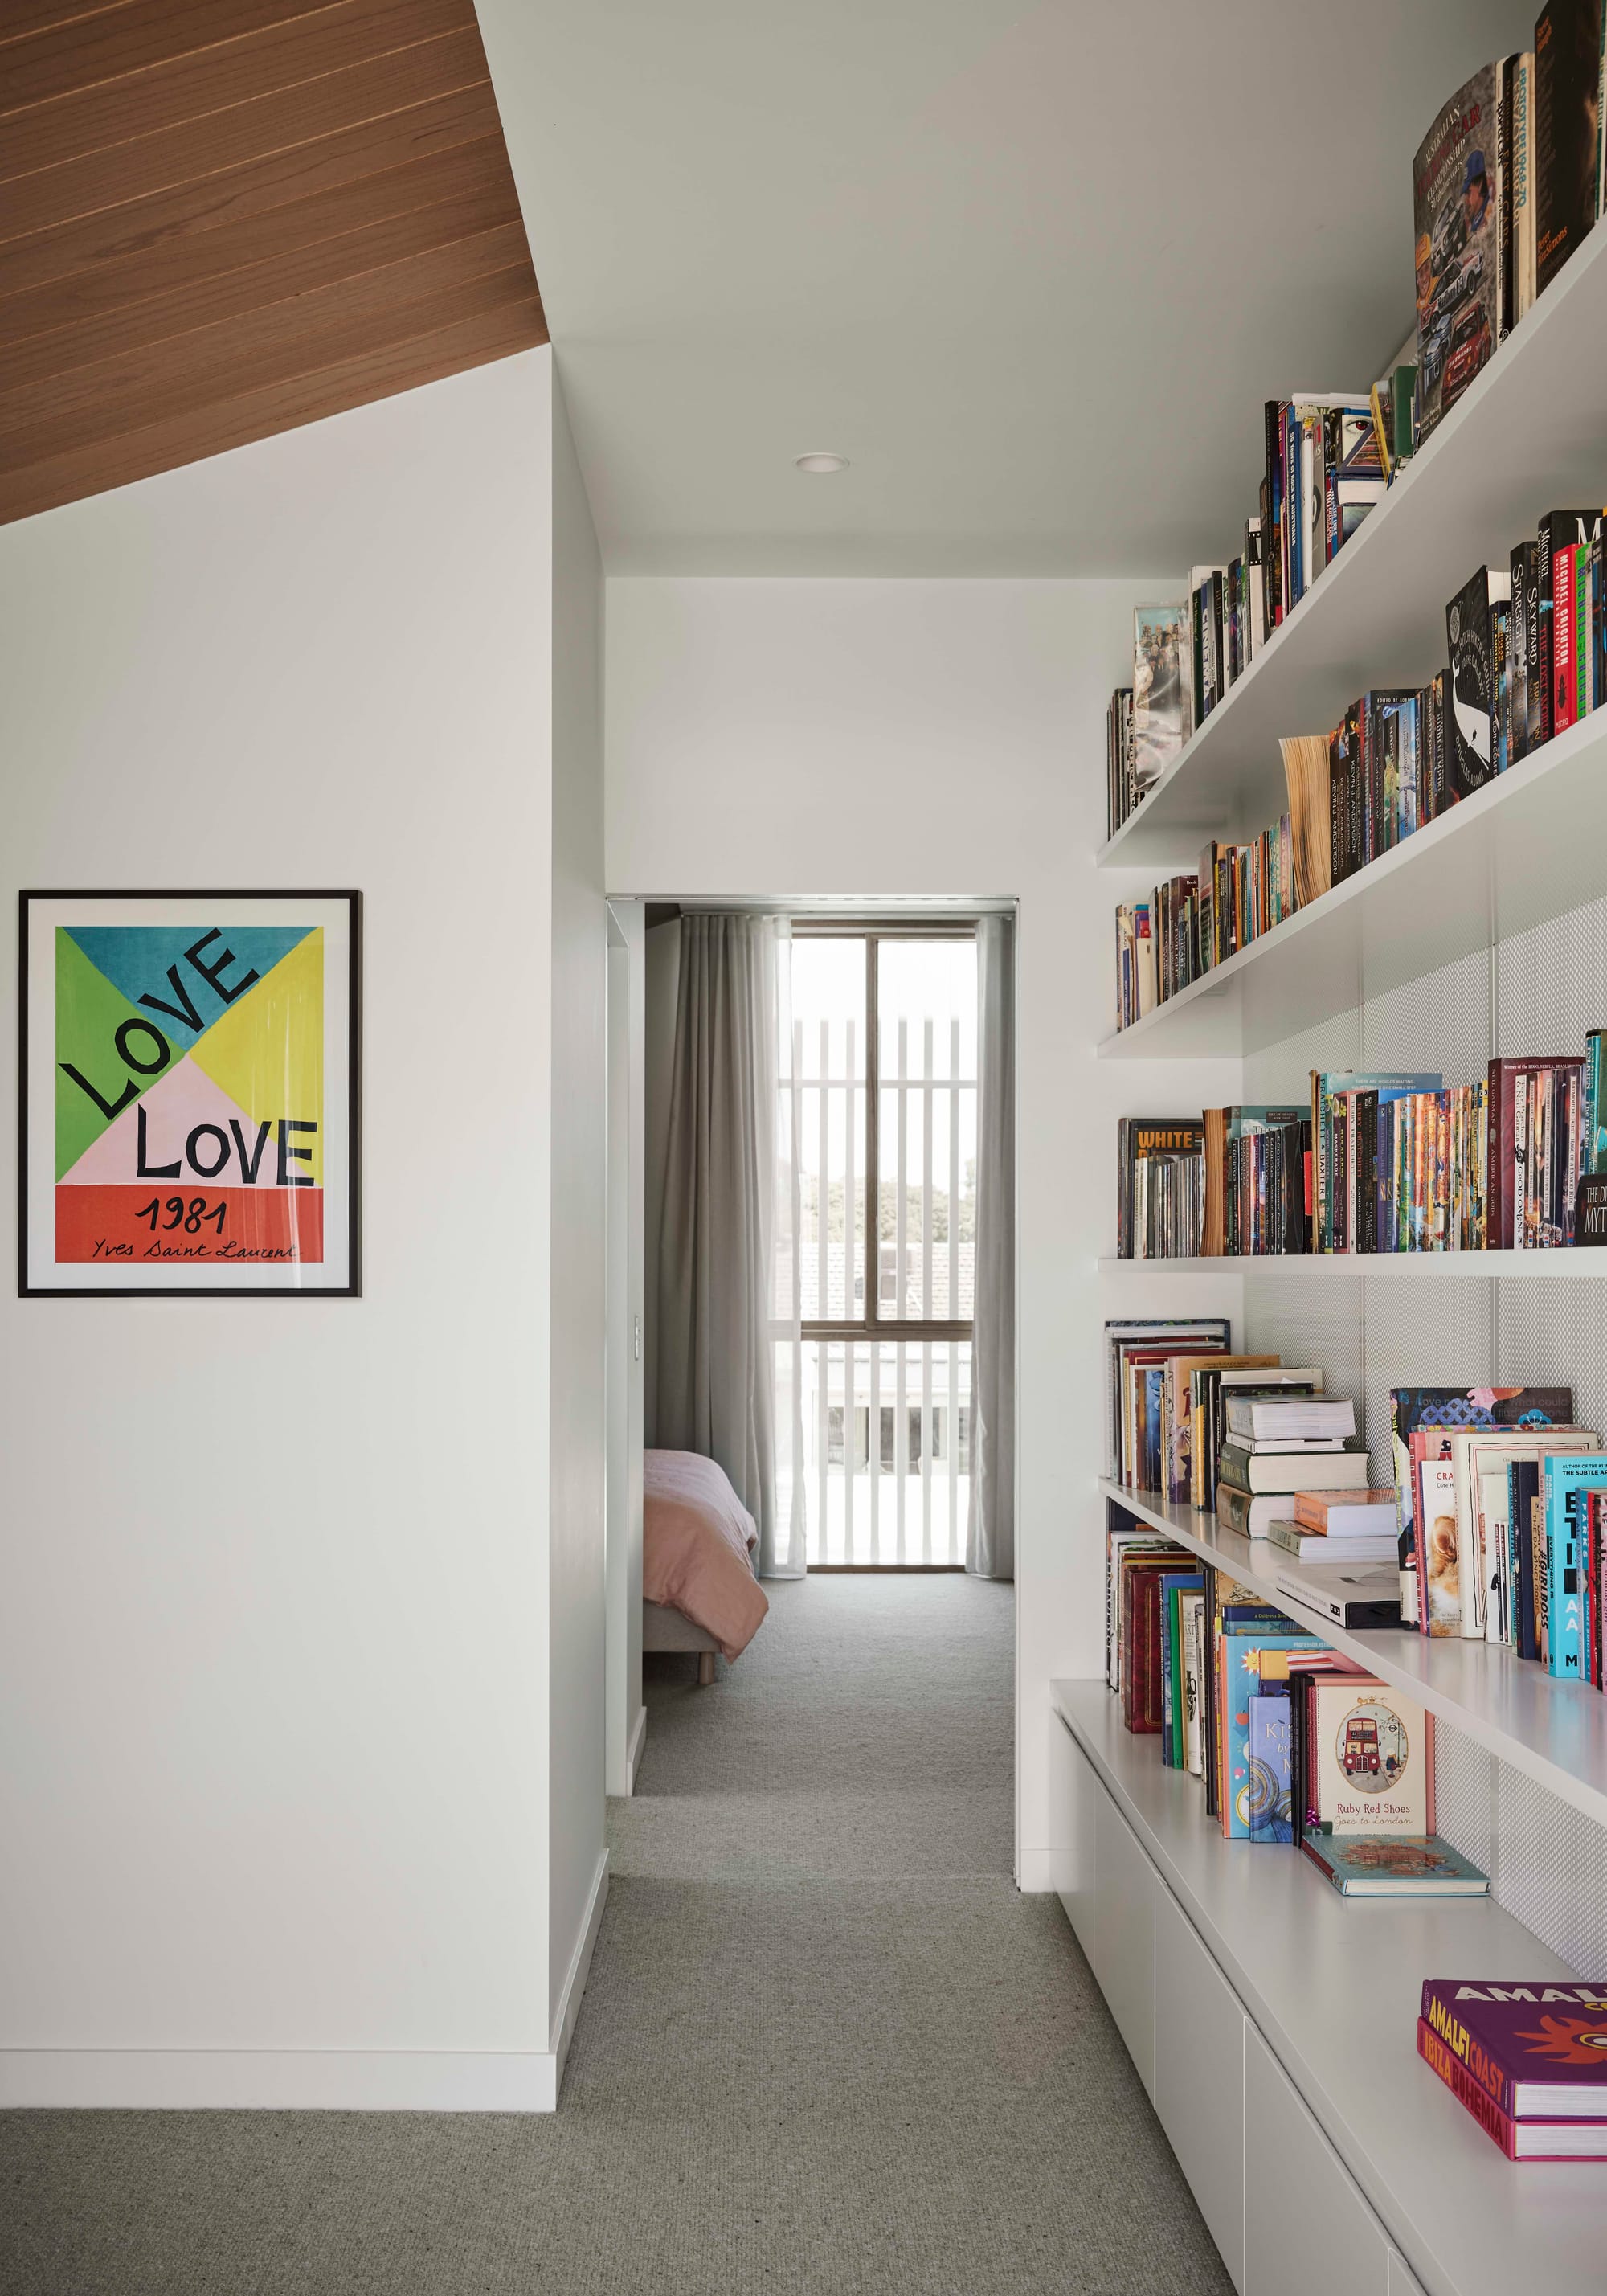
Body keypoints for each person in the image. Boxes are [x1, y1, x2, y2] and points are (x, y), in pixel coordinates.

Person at [1462, 149, 1490, 238]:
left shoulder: (1491, 212)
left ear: (1480, 185)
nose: (1466, 201)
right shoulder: (1474, 221)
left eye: (1469, 193)